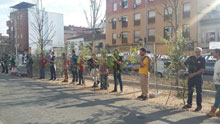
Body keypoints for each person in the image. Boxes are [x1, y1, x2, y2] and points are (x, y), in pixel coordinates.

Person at [182, 47, 205, 112]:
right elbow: (184, 64)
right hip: (190, 78)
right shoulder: (190, 58)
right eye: (196, 52)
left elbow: (202, 69)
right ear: (194, 52)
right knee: (190, 91)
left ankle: (199, 106)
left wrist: (193, 74)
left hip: (198, 78)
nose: (198, 53)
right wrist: (177, 69)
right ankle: (189, 104)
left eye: (199, 52)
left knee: (199, 92)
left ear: (201, 52)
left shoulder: (202, 59)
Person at [207, 49, 220, 117]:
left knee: (217, 97)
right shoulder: (217, 61)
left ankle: (213, 112)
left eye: (214, 53)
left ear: (217, 54)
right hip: (217, 82)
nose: (213, 54)